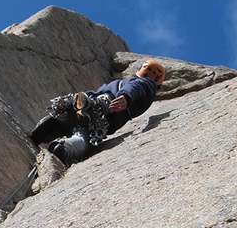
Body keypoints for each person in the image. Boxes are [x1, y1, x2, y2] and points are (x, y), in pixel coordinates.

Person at [30, 59, 165, 166]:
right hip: (104, 120)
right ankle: (65, 148)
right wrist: (125, 96)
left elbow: (135, 88)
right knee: (86, 137)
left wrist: (125, 97)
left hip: (102, 106)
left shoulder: (145, 85)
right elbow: (133, 88)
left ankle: (71, 113)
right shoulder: (140, 85)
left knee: (66, 115)